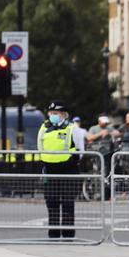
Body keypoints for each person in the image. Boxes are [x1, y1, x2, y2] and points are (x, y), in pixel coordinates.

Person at [38, 100, 85, 239]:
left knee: (67, 203)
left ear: (64, 114)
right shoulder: (44, 127)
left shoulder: (72, 128)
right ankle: (53, 233)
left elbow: (80, 149)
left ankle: (68, 234)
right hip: (49, 169)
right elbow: (39, 146)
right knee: (51, 203)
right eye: (51, 113)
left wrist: (72, 160)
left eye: (56, 113)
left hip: (68, 169)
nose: (52, 115)